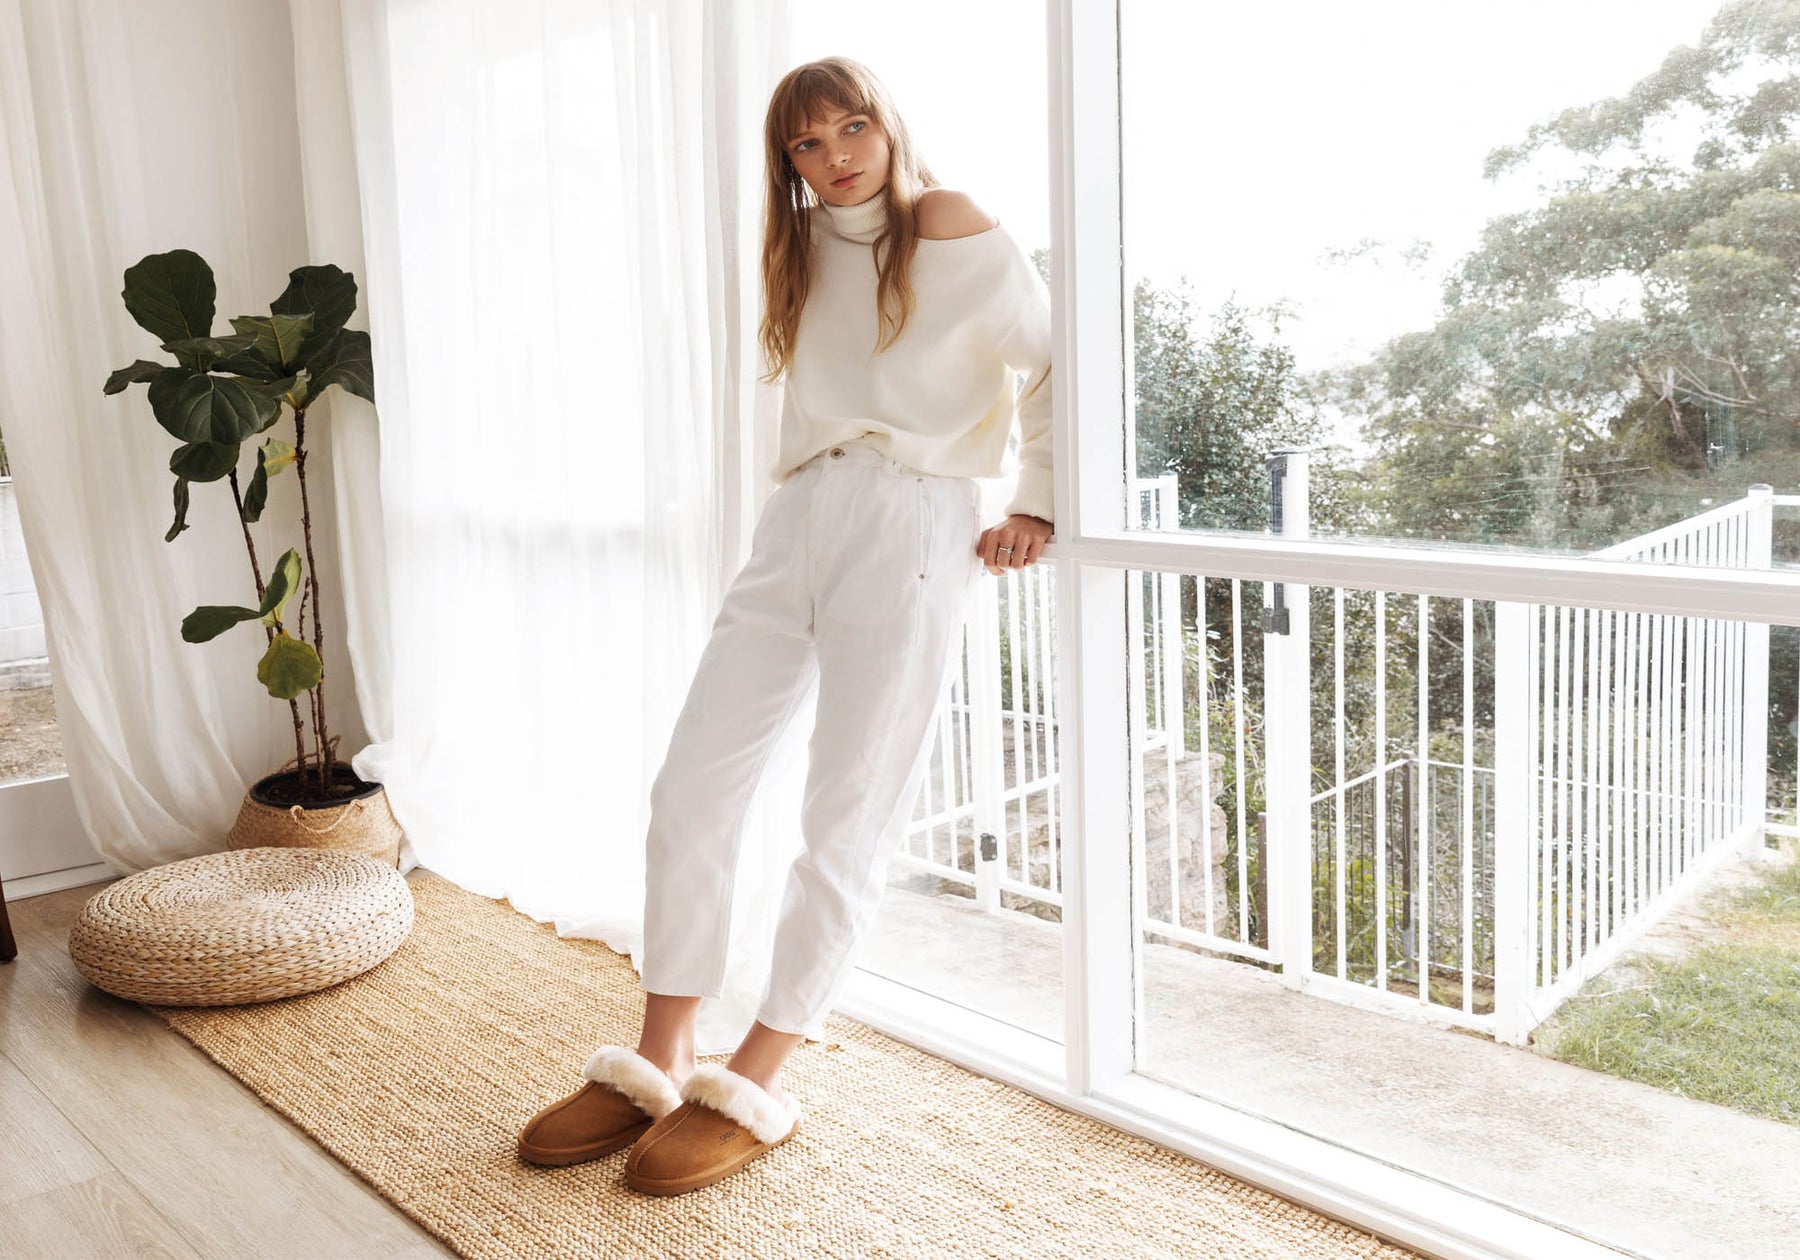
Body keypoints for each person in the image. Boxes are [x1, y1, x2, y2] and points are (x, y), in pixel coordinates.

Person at [517, 55, 1053, 1196]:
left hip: (914, 518)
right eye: (808, 143)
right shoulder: (799, 246)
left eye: (852, 127)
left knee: (846, 812)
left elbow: (1053, 358)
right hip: (800, 512)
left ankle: (757, 1074)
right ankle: (664, 1054)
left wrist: (1037, 500)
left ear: (887, 125)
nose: (836, 155)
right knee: (693, 788)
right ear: (788, 162)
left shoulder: (947, 222)